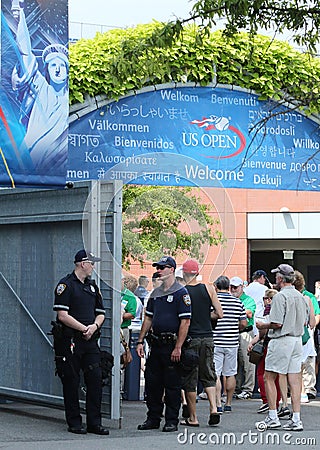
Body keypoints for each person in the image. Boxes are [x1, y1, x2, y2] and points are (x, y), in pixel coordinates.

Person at [52, 249, 109, 435]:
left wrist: (93, 327)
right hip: (71, 341)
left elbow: (101, 313)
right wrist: (82, 328)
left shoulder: (92, 287)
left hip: (90, 340)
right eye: (91, 263)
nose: (93, 266)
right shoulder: (66, 285)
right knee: (71, 380)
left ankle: (94, 422)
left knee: (95, 379)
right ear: (83, 264)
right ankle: (74, 422)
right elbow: (62, 315)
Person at [11, 0, 69, 172]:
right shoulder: (41, 88)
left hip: (57, 166)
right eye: (53, 65)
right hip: (30, 162)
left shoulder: (70, 101)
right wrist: (20, 16)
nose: (58, 70)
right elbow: (25, 52)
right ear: (47, 70)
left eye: (62, 65)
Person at [136, 256, 191, 432]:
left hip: (171, 345)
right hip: (156, 345)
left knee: (172, 385)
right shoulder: (156, 293)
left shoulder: (180, 293)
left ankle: (171, 420)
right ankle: (153, 418)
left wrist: (178, 347)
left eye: (162, 267)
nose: (158, 270)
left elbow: (185, 322)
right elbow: (148, 318)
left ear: (172, 269)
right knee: (153, 384)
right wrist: (140, 340)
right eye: (157, 267)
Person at [255, 264, 309, 432]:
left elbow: (277, 323)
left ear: (280, 278)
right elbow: (307, 321)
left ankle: (273, 416)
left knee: (268, 377)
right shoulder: (301, 296)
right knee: (294, 380)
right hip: (297, 340)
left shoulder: (280, 296)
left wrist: (263, 324)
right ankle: (296, 418)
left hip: (282, 339)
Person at [180, 259, 223, 427]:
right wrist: (206, 316)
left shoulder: (181, 292)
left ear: (184, 274)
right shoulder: (209, 288)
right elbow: (219, 313)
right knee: (209, 373)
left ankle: (193, 417)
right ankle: (213, 408)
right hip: (208, 337)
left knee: (190, 377)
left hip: (190, 338)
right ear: (197, 273)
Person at [248, 289, 290, 418]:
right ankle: (283, 404)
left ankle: (268, 401)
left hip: (270, 343)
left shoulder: (269, 310)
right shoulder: (284, 308)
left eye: (265, 298)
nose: (264, 301)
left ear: (270, 299)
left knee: (264, 374)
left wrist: (257, 336)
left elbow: (264, 331)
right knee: (280, 375)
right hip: (286, 343)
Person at [213, 276, 247, 413]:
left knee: (216, 374)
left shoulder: (214, 301)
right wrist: (234, 328)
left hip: (216, 341)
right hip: (232, 342)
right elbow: (244, 323)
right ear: (228, 287)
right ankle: (228, 402)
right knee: (230, 373)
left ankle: (217, 403)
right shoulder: (238, 302)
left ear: (216, 287)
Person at [293, 270, 320, 401]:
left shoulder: (307, 297)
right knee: (306, 362)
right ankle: (303, 390)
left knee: (299, 364)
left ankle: (305, 389)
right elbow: (314, 320)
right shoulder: (308, 298)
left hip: (296, 335)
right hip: (305, 335)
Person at [230, 276, 256, 400]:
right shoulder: (230, 298)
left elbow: (249, 313)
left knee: (247, 362)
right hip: (233, 332)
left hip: (245, 332)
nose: (233, 289)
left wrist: (234, 310)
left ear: (242, 287)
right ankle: (237, 387)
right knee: (235, 363)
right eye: (231, 287)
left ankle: (248, 389)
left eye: (236, 287)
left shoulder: (248, 299)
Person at [244, 270, 270, 335]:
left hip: (249, 319)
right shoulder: (264, 289)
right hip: (260, 319)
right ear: (261, 277)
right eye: (264, 278)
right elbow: (266, 304)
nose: (264, 281)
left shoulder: (246, 289)